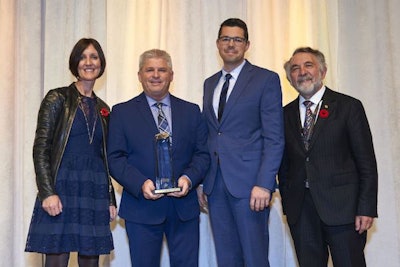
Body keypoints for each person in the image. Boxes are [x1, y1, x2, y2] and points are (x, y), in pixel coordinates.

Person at [107, 49, 210, 267]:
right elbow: (115, 158)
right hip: (141, 208)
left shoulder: (191, 111)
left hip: (183, 208)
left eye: (162, 70)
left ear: (171, 74)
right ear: (139, 75)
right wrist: (140, 183)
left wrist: (189, 179)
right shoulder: (122, 112)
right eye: (150, 70)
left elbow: (202, 153)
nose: (156, 75)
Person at [278, 47, 378, 266]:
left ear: (322, 72)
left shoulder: (348, 107)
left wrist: (366, 208)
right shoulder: (284, 115)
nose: (302, 72)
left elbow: (366, 162)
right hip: (301, 212)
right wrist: (288, 203)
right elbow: (283, 165)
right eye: (295, 68)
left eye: (308, 65)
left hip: (344, 211)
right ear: (290, 78)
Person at [25, 38, 117, 267]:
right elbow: (41, 148)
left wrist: (110, 198)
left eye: (94, 57)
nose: (89, 62)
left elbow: (104, 158)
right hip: (62, 186)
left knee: (91, 261)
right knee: (56, 258)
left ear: (101, 64)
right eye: (83, 56)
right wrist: (47, 192)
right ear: (75, 63)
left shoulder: (104, 108)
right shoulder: (57, 98)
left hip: (93, 189)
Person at [200, 18, 285, 267]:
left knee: (254, 257)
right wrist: (203, 182)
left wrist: (264, 184)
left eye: (237, 39)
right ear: (217, 43)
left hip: (250, 187)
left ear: (247, 44)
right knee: (227, 259)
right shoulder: (209, 84)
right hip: (215, 186)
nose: (231, 44)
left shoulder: (265, 79)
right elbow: (211, 135)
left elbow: (274, 138)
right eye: (226, 38)